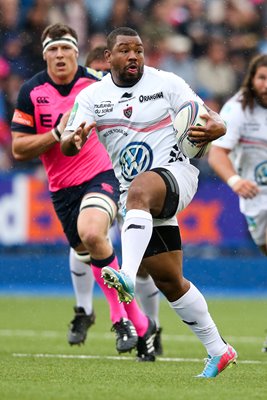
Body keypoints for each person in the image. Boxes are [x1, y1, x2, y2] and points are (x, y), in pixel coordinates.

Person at [61, 26, 238, 378]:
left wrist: (217, 127)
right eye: (125, 50)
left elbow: (211, 118)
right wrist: (74, 140)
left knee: (141, 190)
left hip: (176, 176)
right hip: (135, 198)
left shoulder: (165, 82)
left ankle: (125, 274)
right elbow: (68, 142)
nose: (134, 57)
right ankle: (219, 350)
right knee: (170, 281)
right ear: (108, 57)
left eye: (139, 50)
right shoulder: (94, 96)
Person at [11, 23, 157, 361]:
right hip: (62, 189)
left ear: (76, 52)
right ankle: (141, 323)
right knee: (90, 250)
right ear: (45, 54)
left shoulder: (96, 83)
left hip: (101, 176)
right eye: (53, 50)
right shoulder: (31, 92)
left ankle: (120, 318)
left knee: (92, 233)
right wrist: (55, 133)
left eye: (66, 49)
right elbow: (19, 149)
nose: (60, 55)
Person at [85, 43, 164, 355]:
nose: (100, 78)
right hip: (99, 183)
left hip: (135, 185)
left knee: (144, 264)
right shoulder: (89, 101)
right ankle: (105, 315)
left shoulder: (138, 95)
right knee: (92, 239)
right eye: (94, 73)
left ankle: (150, 326)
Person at [207, 53, 267, 352]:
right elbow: (217, 153)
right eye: (262, 78)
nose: (266, 84)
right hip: (256, 196)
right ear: (252, 80)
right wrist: (234, 181)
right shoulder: (239, 108)